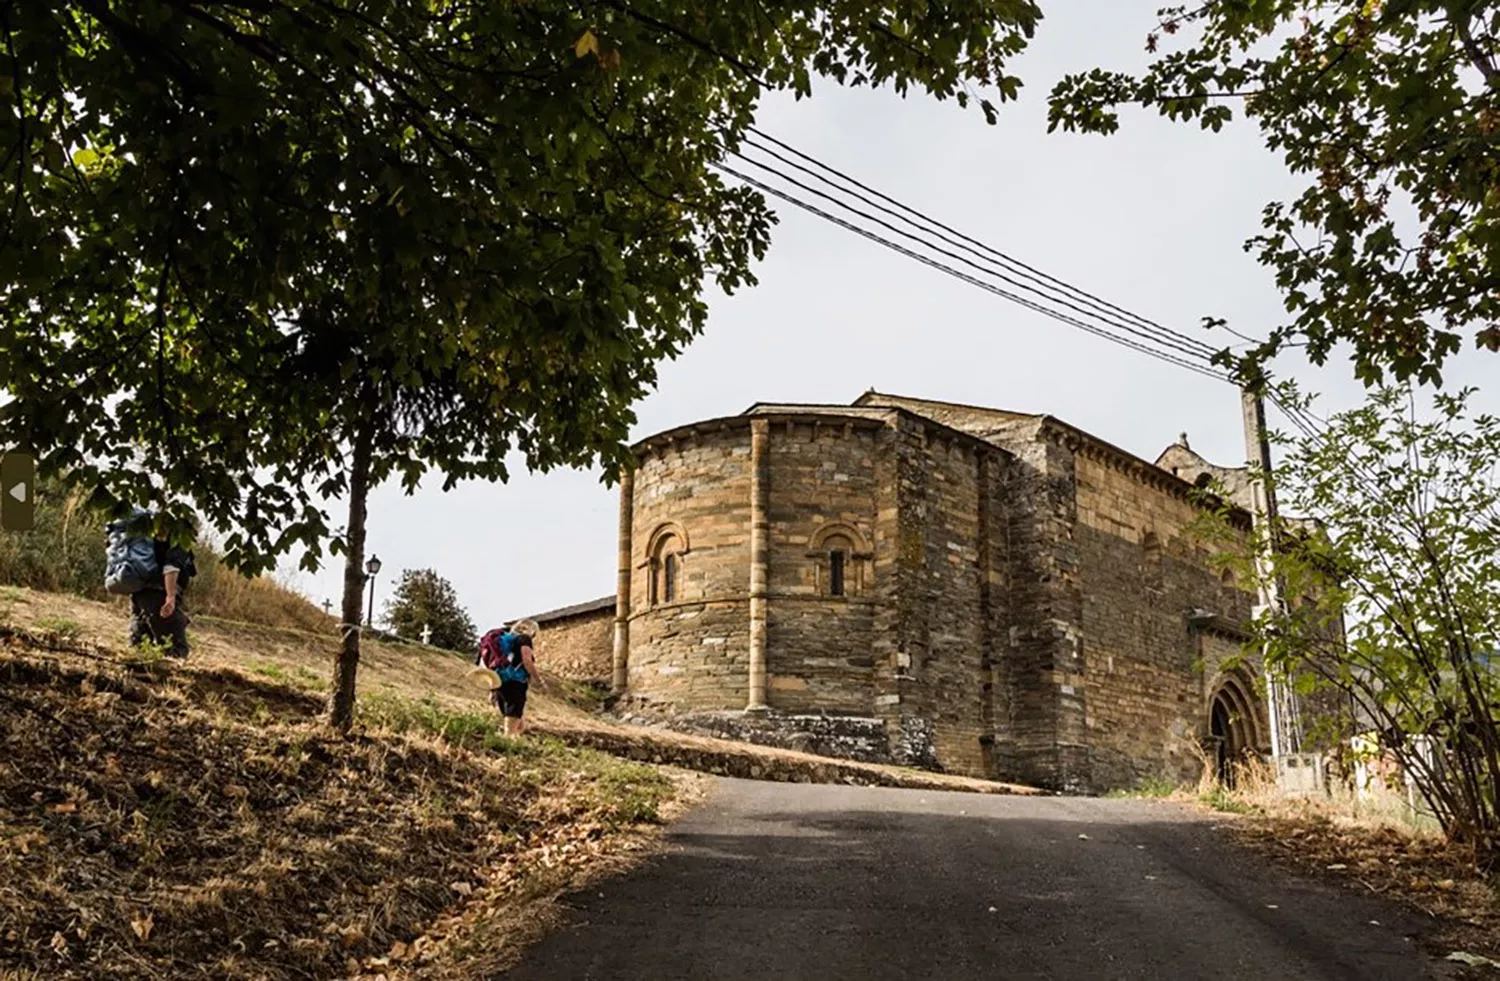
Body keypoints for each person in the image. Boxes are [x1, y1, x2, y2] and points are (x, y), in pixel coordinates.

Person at [130, 533, 196, 659]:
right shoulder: (180, 537)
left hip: (140, 594)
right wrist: (170, 597)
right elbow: (171, 567)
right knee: (174, 650)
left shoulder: (150, 535)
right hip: (160, 596)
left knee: (139, 647)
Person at [477, 619, 546, 736]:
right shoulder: (524, 639)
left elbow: (495, 665)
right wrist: (540, 682)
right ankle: (506, 746)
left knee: (518, 724)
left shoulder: (503, 641)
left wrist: (493, 690)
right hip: (516, 682)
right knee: (510, 728)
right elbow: (527, 661)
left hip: (500, 682)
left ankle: (512, 744)